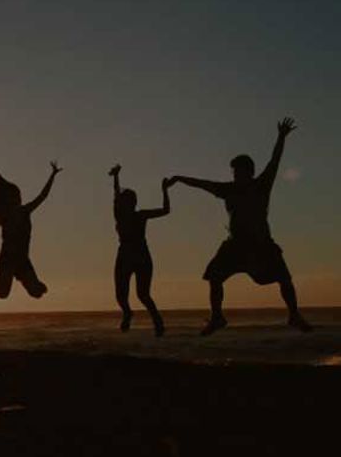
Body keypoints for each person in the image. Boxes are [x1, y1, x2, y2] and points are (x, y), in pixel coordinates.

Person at [170, 117, 312, 335]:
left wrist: (281, 137)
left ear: (250, 172)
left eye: (239, 172)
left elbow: (274, 162)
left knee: (285, 278)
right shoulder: (228, 189)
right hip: (235, 245)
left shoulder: (261, 185)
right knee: (214, 277)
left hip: (261, 243)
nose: (236, 175)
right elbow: (203, 184)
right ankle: (217, 317)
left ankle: (294, 314)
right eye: (234, 172)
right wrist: (180, 178)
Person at [0, 158, 61, 300]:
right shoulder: (5, 213)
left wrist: (53, 175)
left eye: (18, 197)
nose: (18, 200)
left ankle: (34, 284)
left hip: (22, 259)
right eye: (15, 198)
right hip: (8, 258)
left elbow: (43, 196)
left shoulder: (25, 210)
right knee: (2, 294)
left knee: (36, 293)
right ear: (9, 200)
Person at [108, 165, 172, 336]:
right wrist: (116, 177)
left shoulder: (140, 215)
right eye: (123, 201)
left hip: (141, 255)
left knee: (143, 294)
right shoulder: (119, 214)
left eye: (129, 201)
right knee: (121, 295)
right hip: (125, 255)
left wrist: (164, 190)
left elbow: (165, 210)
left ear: (133, 203)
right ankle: (128, 313)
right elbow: (115, 194)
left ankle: (157, 322)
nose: (125, 204)